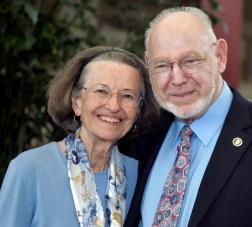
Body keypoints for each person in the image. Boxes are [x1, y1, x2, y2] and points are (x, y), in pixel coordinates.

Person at [121, 7, 252, 227]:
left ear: (220, 56)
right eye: (162, 65)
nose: (177, 78)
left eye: (190, 61)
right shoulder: (141, 138)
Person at [0, 46, 159, 227]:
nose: (114, 106)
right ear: (76, 102)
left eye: (127, 95)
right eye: (101, 91)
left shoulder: (138, 174)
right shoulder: (28, 170)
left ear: (138, 110)